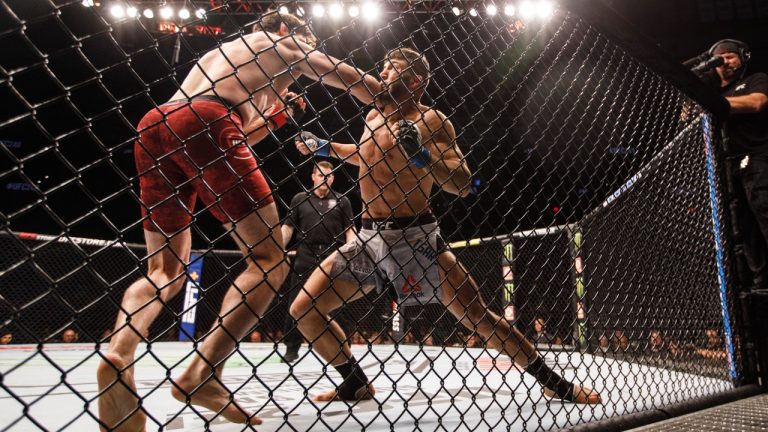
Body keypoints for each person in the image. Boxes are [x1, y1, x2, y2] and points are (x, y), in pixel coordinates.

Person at [96, 11, 382, 430]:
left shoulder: (224, 56)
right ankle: (203, 373)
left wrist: (274, 115)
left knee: (164, 269)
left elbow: (234, 138)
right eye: (305, 40)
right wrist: (393, 97)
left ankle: (119, 353)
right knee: (269, 259)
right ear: (288, 31)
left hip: (156, 125)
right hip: (209, 122)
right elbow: (351, 78)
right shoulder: (285, 45)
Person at [290, 47, 601, 404]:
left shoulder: (432, 121)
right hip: (368, 238)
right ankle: (354, 380)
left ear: (414, 81)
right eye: (383, 66)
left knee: (478, 317)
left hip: (415, 238)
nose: (383, 72)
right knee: (304, 311)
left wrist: (423, 156)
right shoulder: (373, 116)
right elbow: (367, 155)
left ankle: (554, 382)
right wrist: (327, 147)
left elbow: (462, 182)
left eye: (392, 68)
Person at [280, 160, 356, 363]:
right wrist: (278, 248)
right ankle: (291, 348)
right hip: (305, 255)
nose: (324, 178)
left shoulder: (342, 201)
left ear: (332, 178)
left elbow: (350, 231)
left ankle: (341, 347)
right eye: (321, 174)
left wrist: (352, 253)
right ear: (313, 176)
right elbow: (288, 228)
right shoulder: (300, 199)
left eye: (329, 175)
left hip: (332, 257)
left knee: (336, 303)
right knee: (296, 301)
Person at [711, 39, 768, 291]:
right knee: (740, 225)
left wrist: (717, 105)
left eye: (730, 56)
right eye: (719, 58)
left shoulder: (755, 79)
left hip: (758, 155)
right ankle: (761, 282)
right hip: (728, 166)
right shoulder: (712, 95)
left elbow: (757, 103)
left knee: (764, 208)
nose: (725, 61)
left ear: (743, 57)